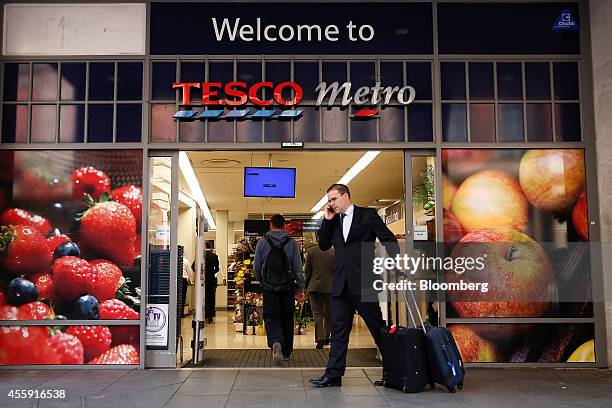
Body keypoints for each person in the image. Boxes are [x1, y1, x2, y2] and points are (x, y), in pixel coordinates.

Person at [309, 184, 399, 388]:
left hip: (364, 281)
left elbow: (387, 238)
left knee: (378, 329)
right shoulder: (333, 220)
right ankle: (333, 375)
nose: (331, 204)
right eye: (329, 200)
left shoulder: (367, 215)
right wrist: (327, 220)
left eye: (333, 199)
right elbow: (323, 245)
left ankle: (394, 372)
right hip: (340, 284)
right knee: (338, 332)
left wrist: (397, 263)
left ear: (345, 196)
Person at [254, 214, 305, 366]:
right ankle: (287, 351)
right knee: (287, 317)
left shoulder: (262, 243)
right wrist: (300, 287)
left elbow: (257, 267)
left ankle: (275, 341)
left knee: (270, 316)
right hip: (287, 287)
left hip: (269, 288)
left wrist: (262, 282)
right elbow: (298, 268)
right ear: (284, 226)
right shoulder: (291, 243)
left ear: (271, 225)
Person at [304, 233, 334, 349]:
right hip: (331, 287)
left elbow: (307, 271)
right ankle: (327, 337)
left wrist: (306, 285)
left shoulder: (311, 251)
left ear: (317, 238)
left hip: (315, 287)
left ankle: (320, 339)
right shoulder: (334, 251)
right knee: (329, 314)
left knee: (317, 314)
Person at [204, 241, 219, 324]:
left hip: (202, 281)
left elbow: (193, 266)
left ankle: (204, 315)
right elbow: (217, 269)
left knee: (204, 298)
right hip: (211, 280)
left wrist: (202, 274)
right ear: (211, 247)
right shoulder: (214, 256)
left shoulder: (202, 256)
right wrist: (211, 273)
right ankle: (210, 316)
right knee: (211, 298)